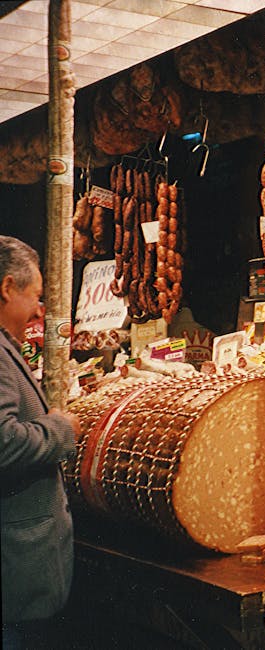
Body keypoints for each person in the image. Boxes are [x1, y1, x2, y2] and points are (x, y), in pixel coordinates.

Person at [1, 235, 81, 649]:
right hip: (15, 571)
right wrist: (60, 428)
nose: (39, 309)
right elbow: (2, 443)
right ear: (7, 288)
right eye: (34, 296)